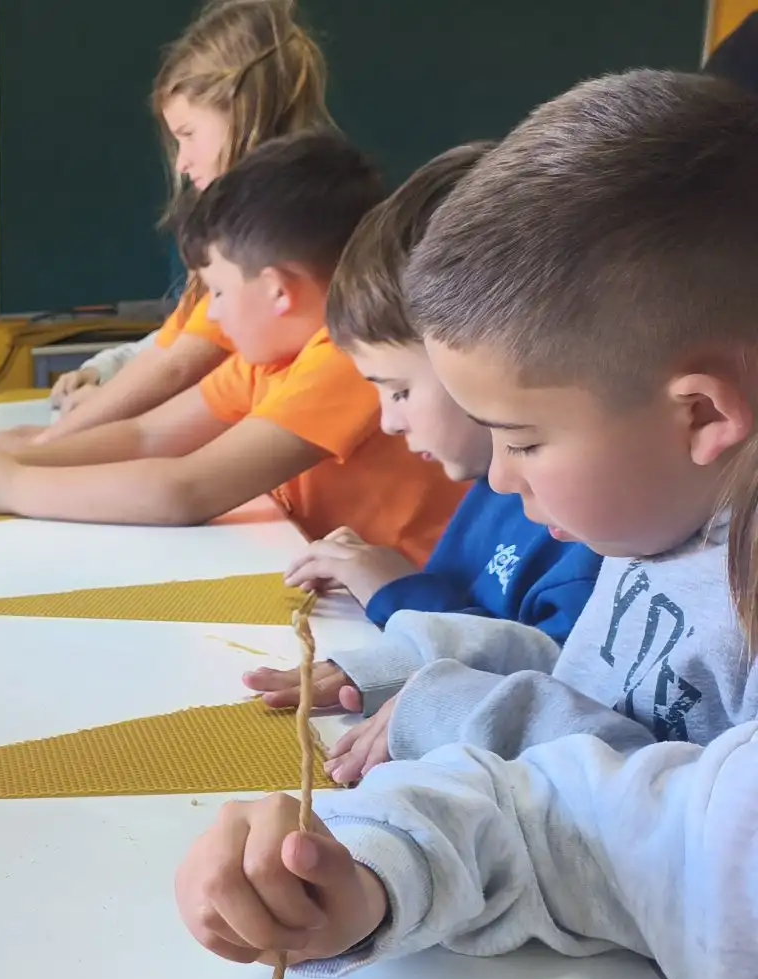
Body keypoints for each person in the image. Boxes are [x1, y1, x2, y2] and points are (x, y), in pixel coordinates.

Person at [173, 72, 758, 979]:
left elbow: (619, 819)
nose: (497, 479)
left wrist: (434, 730)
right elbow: (596, 722)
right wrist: (375, 854)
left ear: (700, 413)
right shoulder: (663, 520)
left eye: (521, 441)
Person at [0, 132, 461, 564]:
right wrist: (0, 458)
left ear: (278, 290)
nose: (212, 316)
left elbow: (188, 491)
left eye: (218, 291)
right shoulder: (268, 360)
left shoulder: (345, 361)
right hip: (334, 580)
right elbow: (145, 435)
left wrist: (9, 484)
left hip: (413, 613)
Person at [243, 143, 602, 782]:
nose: (388, 421)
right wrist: (399, 653)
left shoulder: (595, 526)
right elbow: (499, 644)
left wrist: (398, 594)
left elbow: (567, 699)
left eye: (400, 390)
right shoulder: (500, 481)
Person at [32, 0, 331, 440]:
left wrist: (44, 444)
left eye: (189, 135)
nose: (182, 163)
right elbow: (176, 341)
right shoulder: (234, 226)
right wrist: (107, 371)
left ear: (243, 111)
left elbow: (179, 367)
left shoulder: (275, 236)